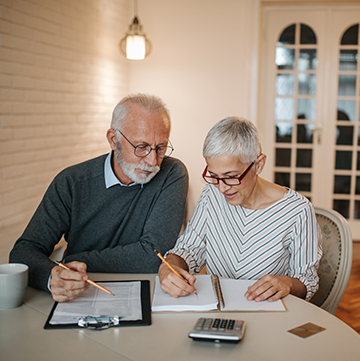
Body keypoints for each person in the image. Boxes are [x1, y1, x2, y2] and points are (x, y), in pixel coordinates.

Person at [10, 93, 189, 302]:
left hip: (148, 294)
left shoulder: (172, 173)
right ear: (114, 140)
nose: (152, 160)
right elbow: (23, 252)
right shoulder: (71, 182)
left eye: (160, 148)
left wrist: (74, 259)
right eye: (141, 147)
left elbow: (153, 256)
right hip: (80, 295)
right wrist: (52, 276)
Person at [158, 116, 322, 303]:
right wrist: (168, 266)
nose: (222, 188)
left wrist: (288, 283)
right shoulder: (212, 194)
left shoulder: (298, 211)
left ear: (258, 164)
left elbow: (307, 281)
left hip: (268, 314)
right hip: (217, 312)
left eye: (231, 176)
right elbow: (189, 249)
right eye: (214, 176)